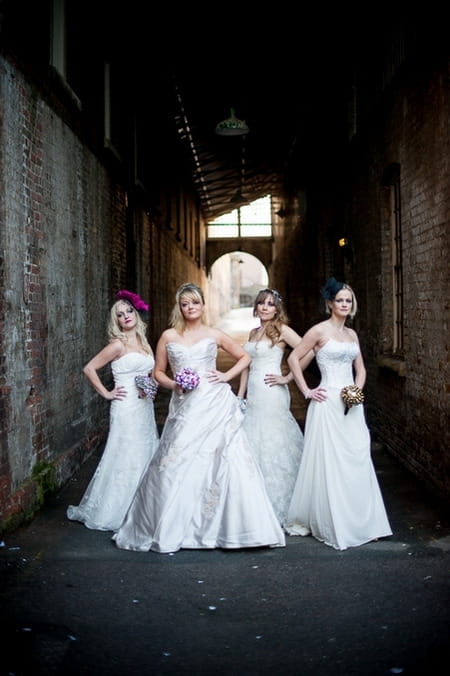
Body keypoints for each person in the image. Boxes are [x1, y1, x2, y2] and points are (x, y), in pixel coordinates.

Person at [113, 282, 286, 553]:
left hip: (215, 402)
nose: (190, 307)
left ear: (203, 306)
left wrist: (225, 376)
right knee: (176, 458)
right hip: (184, 404)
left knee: (225, 457)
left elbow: (244, 357)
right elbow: (158, 372)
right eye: (185, 304)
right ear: (179, 308)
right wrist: (174, 385)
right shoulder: (169, 336)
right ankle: (173, 525)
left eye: (195, 303)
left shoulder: (215, 334)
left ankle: (229, 527)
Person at [284, 277, 392, 550]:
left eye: (348, 300)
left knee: (357, 457)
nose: (344, 304)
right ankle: (337, 522)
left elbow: (362, 369)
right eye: (340, 300)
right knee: (334, 462)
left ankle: (365, 522)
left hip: (351, 403)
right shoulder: (318, 331)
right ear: (330, 303)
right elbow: (293, 358)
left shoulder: (352, 335)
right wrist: (307, 390)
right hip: (327, 402)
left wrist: (356, 392)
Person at [67, 290, 159, 531]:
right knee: (126, 453)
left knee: (146, 450)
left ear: (136, 313)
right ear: (116, 321)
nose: (126, 316)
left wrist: (149, 387)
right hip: (125, 407)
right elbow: (89, 368)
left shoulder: (143, 342)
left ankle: (145, 506)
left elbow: (147, 373)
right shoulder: (117, 345)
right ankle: (120, 509)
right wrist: (107, 393)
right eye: (120, 314)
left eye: (129, 311)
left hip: (144, 407)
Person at [237, 288, 313, 527]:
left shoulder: (282, 330)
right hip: (255, 394)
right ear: (256, 307)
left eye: (270, 304)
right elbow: (247, 365)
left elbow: (309, 351)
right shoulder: (253, 332)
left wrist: (288, 377)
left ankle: (281, 501)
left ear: (277, 309)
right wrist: (240, 395)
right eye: (261, 303)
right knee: (252, 439)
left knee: (273, 439)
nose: (265, 307)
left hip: (272, 391)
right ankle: (253, 500)